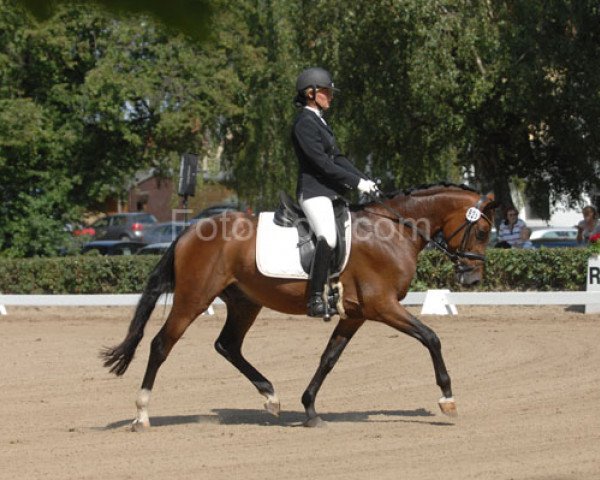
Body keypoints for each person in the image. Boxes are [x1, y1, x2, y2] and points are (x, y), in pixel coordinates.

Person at [291, 67, 379, 319]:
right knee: (327, 237)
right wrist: (355, 183)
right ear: (311, 93)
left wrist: (364, 179)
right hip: (313, 192)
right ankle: (315, 298)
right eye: (326, 91)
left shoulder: (320, 121)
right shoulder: (304, 123)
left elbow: (338, 158)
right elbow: (322, 164)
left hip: (329, 192)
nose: (330, 96)